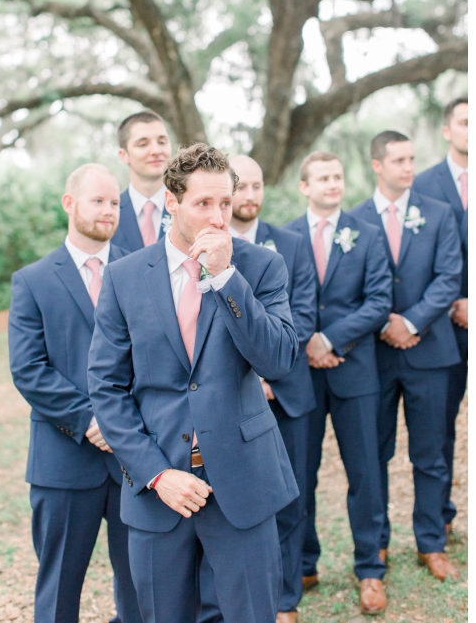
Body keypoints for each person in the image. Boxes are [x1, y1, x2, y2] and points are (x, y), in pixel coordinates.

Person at [88, 143, 300, 623]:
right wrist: (157, 474)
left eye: (225, 202)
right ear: (172, 201)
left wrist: (226, 277)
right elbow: (106, 387)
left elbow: (279, 359)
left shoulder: (261, 267)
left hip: (243, 479)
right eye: (204, 203)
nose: (219, 216)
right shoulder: (123, 279)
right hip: (159, 485)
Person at [10, 164, 142, 623]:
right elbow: (28, 369)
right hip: (63, 461)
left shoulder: (138, 271)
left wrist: (122, 425)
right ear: (70, 204)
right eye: (98, 201)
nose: (108, 210)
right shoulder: (33, 280)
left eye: (114, 203)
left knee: (142, 588)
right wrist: (89, 420)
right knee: (59, 590)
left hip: (134, 460)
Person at [192, 155, 316, 623]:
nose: (245, 198)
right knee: (224, 508)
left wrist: (265, 373)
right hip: (226, 403)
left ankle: (284, 599)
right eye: (235, 190)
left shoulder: (285, 247)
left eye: (253, 187)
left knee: (288, 500)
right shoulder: (186, 254)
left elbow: (298, 317)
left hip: (287, 392)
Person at [349, 131, 462, 582]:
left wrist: (411, 323)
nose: (408, 167)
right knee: (372, 455)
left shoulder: (439, 214)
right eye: (398, 160)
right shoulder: (353, 219)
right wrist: (383, 325)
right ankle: (375, 545)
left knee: (430, 453)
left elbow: (449, 276)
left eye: (412, 159)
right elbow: (346, 289)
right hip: (372, 357)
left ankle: (431, 542)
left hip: (429, 351)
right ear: (377, 164)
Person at [285, 151, 392, 614]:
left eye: (338, 175)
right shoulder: (283, 237)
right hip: (299, 377)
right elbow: (275, 300)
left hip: (356, 370)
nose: (332, 183)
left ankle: (370, 569)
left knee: (365, 472)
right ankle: (303, 563)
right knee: (299, 473)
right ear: (304, 186)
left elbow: (379, 301)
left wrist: (328, 338)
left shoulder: (368, 235)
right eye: (322, 177)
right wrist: (306, 342)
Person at [411, 96, 469, 543]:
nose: (471, 131)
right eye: (463, 123)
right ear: (447, 131)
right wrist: (451, 302)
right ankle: (442, 513)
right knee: (441, 423)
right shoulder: (423, 185)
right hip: (440, 327)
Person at [113, 111, 173, 252]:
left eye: (162, 142)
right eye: (143, 144)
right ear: (124, 155)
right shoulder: (110, 213)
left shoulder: (187, 207)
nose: (156, 150)